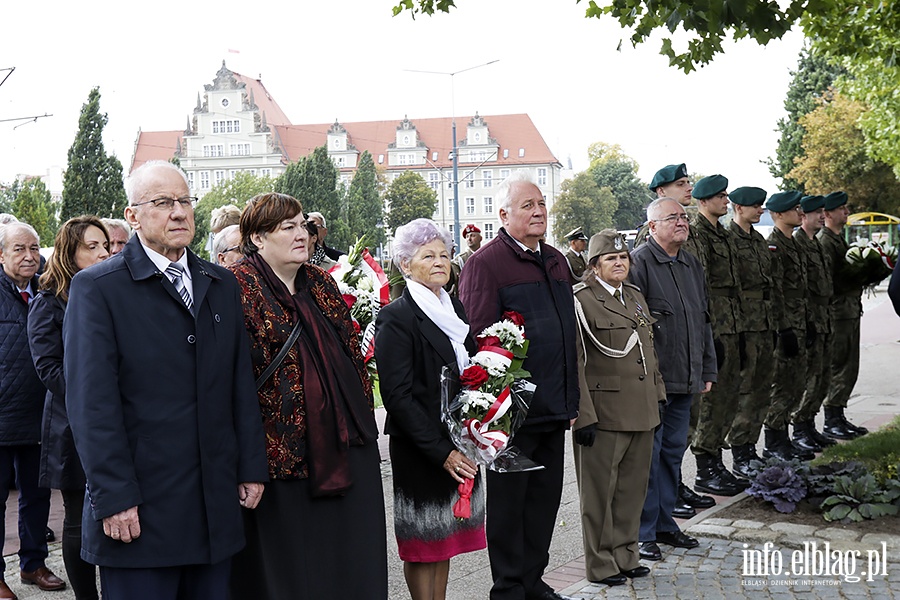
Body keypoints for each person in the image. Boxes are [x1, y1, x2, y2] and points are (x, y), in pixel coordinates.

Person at [63, 160, 268, 600]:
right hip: (141, 513)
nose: (178, 212)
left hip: (212, 508)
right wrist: (113, 496)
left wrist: (250, 465)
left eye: (184, 201)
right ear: (133, 215)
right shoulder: (98, 289)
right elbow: (90, 404)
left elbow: (239, 384)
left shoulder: (221, 283)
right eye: (162, 202)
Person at [229, 193, 388, 599]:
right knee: (294, 569)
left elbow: (351, 353)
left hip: (346, 439)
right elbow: (232, 380)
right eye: (288, 227)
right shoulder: (236, 287)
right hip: (283, 455)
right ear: (258, 238)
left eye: (304, 225)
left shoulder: (320, 282)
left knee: (352, 557)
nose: (303, 234)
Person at [458, 170, 578, 600]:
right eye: (527, 205)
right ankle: (508, 587)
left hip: (554, 405)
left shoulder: (556, 259)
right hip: (512, 414)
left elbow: (568, 335)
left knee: (545, 500)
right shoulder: (485, 263)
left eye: (542, 203)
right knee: (511, 506)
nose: (538, 211)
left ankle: (533, 579)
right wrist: (494, 411)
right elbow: (480, 341)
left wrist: (572, 398)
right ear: (504, 215)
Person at [375, 218, 485, 600]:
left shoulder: (453, 306)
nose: (440, 262)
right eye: (428, 256)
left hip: (459, 441)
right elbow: (397, 396)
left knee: (446, 539)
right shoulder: (396, 317)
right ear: (405, 264)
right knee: (424, 545)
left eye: (444, 254)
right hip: (424, 449)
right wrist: (443, 452)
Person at [571, 229, 663, 586]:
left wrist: (657, 395)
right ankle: (601, 563)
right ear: (594, 266)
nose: (619, 263)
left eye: (623, 257)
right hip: (604, 412)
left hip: (641, 408)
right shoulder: (581, 300)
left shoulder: (635, 297)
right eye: (611, 258)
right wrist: (584, 415)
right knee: (599, 496)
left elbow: (648, 351)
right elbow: (577, 360)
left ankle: (627, 554)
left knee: (631, 489)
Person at [28, 216, 110, 600]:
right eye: (90, 247)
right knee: (78, 516)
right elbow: (49, 369)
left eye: (104, 246)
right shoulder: (48, 303)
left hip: (116, 419)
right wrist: (94, 397)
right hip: (71, 423)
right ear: (68, 253)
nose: (102, 253)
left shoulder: (112, 292)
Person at [630, 198, 716, 563]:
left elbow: (703, 321)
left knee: (672, 456)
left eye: (684, 217)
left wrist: (708, 369)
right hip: (654, 382)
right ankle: (643, 532)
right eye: (673, 218)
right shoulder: (639, 264)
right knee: (647, 459)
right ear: (652, 227)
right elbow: (632, 327)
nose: (682, 222)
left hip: (686, 379)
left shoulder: (690, 263)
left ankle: (666, 523)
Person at [0, 222, 67, 600]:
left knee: (38, 495)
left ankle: (33, 564)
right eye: (19, 249)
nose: (29, 256)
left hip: (40, 412)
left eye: (35, 248)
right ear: (2, 255)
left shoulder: (48, 288)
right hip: (1, 414)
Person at [682, 175, 748, 496]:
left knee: (730, 396)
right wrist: (710, 333)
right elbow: (701, 285)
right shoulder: (697, 234)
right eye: (720, 196)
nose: (726, 200)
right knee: (711, 400)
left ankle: (717, 462)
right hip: (715, 325)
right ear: (703, 201)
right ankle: (706, 468)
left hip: (732, 322)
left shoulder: (723, 234)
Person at [726, 187, 778, 478]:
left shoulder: (758, 240)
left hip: (764, 323)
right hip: (743, 323)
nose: (760, 210)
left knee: (761, 389)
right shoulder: (730, 240)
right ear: (737, 208)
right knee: (744, 391)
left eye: (761, 205)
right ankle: (740, 452)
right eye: (755, 206)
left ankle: (752, 446)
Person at [762, 191, 814, 461]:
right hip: (787, 325)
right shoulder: (774, 246)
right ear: (779, 214)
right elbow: (776, 291)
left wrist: (809, 321)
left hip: (800, 320)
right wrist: (784, 328)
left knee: (797, 383)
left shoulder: (793, 243)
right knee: (783, 384)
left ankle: (784, 438)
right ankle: (774, 440)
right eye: (794, 209)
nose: (800, 213)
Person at [817, 191, 869, 439]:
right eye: (842, 209)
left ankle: (839, 415)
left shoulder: (838, 239)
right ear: (827, 214)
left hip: (849, 311)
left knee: (850, 366)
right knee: (838, 366)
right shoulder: (826, 241)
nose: (846, 213)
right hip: (837, 313)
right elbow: (828, 282)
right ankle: (831, 419)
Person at [790, 195, 837, 452]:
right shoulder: (798, 243)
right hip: (808, 318)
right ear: (803, 217)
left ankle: (808, 424)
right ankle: (799, 427)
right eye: (816, 212)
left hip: (823, 317)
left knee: (821, 376)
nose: (822, 216)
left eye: (822, 211)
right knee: (807, 377)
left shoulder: (816, 244)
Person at [634, 163, 693, 247]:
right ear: (661, 191)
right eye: (680, 184)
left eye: (688, 183)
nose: (689, 188)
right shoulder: (653, 231)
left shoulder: (690, 228)